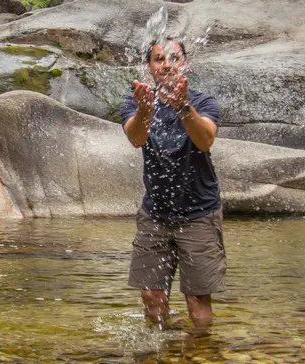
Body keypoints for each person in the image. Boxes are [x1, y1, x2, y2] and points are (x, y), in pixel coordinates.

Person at [120, 38, 226, 336]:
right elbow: (136, 139)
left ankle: (201, 350)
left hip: (199, 213)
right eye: (158, 59)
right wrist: (144, 111)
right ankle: (162, 347)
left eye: (173, 58)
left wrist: (183, 108)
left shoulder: (203, 102)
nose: (167, 64)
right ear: (149, 67)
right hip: (155, 214)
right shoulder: (134, 102)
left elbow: (205, 140)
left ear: (185, 64)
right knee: (151, 295)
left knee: (196, 299)